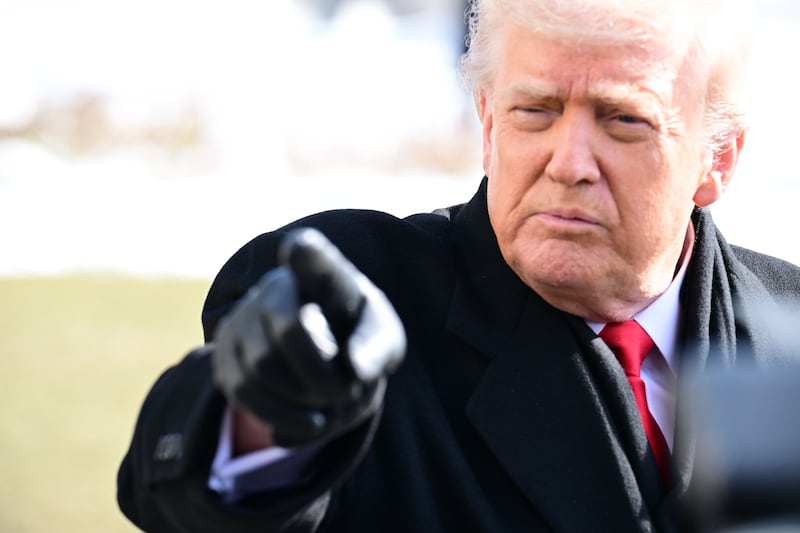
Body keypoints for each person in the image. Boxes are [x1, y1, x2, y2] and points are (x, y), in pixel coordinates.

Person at [117, 0, 800, 531]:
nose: (568, 163)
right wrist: (264, 425)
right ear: (488, 121)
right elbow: (193, 505)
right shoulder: (349, 298)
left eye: (623, 120)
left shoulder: (787, 325)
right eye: (536, 110)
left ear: (718, 158)